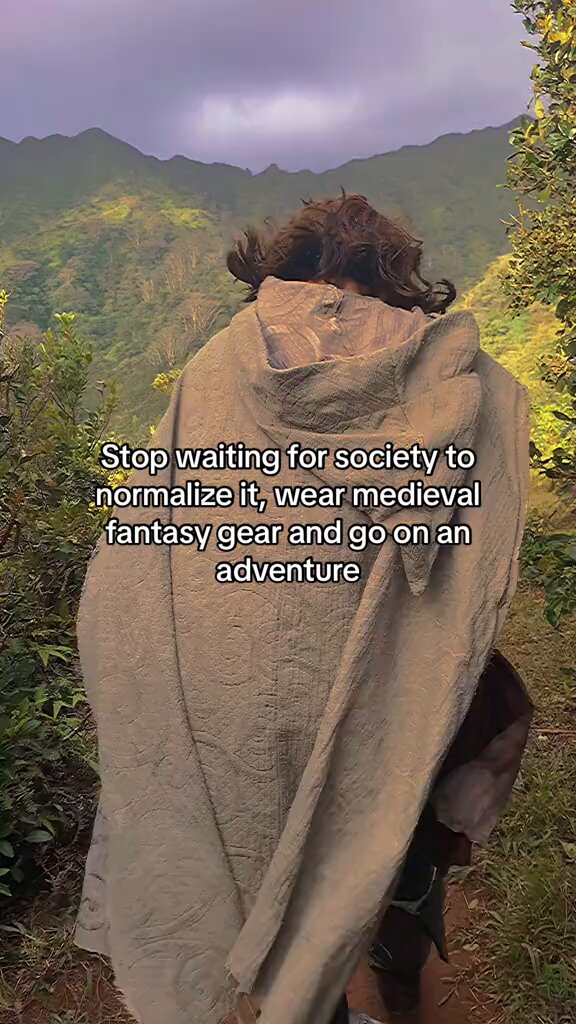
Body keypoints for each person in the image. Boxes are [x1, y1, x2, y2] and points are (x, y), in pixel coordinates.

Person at [75, 193, 533, 1024]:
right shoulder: (461, 375)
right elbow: (474, 559)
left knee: (242, 856)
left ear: (282, 265)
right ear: (393, 271)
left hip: (224, 689)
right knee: (378, 845)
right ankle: (384, 972)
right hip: (384, 693)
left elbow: (145, 552)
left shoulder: (222, 362)